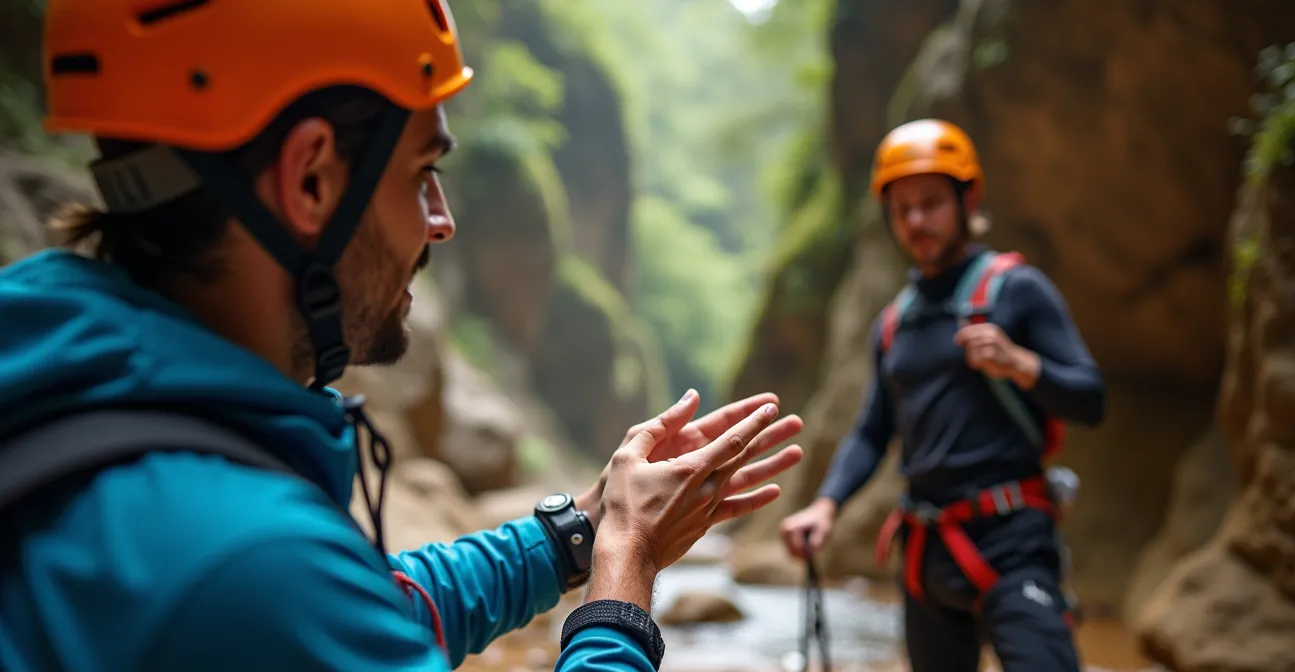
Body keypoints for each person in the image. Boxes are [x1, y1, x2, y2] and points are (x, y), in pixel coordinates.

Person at [0, 2, 806, 671]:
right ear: (311, 179)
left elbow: (357, 611)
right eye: (422, 172)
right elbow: (298, 600)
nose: (442, 220)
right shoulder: (244, 564)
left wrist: (583, 528)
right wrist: (624, 570)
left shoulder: (58, 384)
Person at [778, 118, 1105, 672]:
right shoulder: (893, 325)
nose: (916, 221)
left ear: (966, 199)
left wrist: (1020, 363)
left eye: (930, 202)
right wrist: (826, 505)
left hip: (1013, 541)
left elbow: (1090, 398)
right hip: (928, 552)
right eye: (902, 209)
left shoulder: (1018, 291)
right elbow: (873, 430)